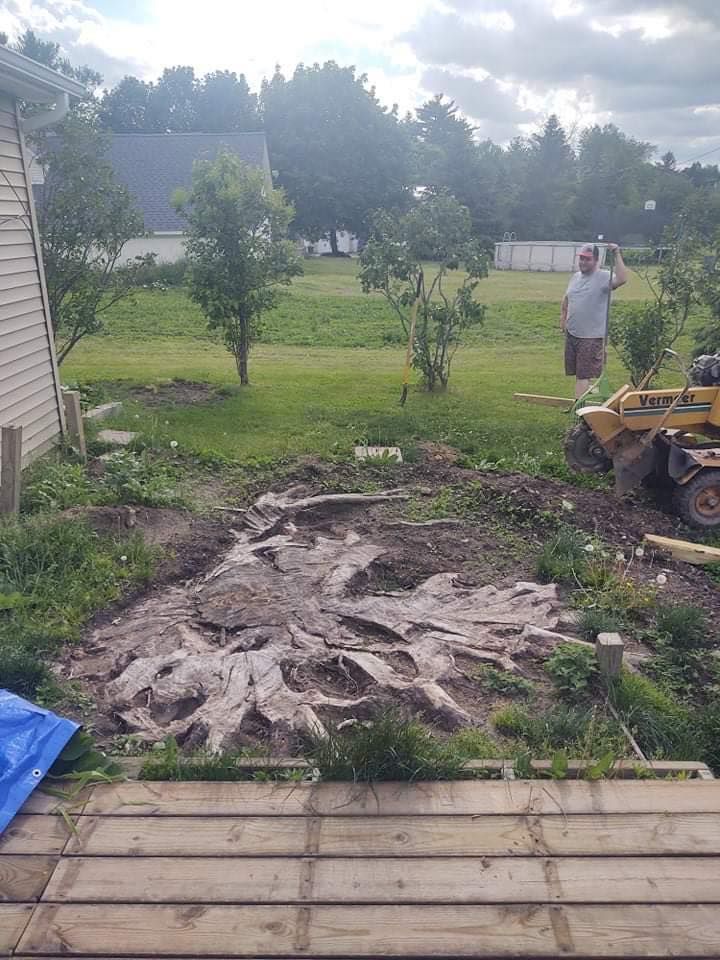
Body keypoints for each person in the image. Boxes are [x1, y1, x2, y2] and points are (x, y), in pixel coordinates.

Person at [561, 242, 627, 399]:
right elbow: (567, 297)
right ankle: (594, 398)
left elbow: (622, 279)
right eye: (581, 258)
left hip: (591, 336)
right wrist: (563, 316)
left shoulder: (603, 277)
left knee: (583, 376)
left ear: (596, 260)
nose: (583, 262)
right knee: (581, 374)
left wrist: (617, 253)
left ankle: (580, 414)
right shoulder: (576, 277)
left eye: (587, 259)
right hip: (573, 333)